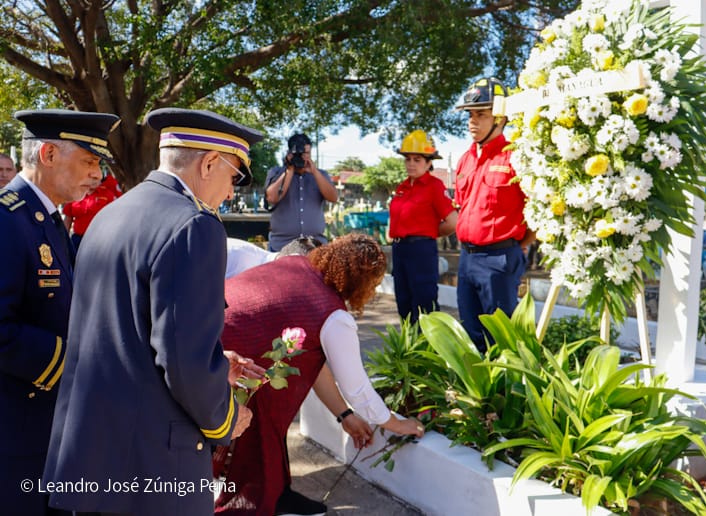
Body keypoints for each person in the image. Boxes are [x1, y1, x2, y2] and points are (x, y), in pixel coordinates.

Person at [44, 108, 263, 515]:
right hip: (151, 467)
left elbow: (120, 328)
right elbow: (185, 362)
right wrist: (224, 417)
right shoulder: (195, 225)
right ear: (210, 162)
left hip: (93, 455)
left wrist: (216, 361)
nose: (231, 193)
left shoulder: (109, 215)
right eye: (234, 177)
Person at [214, 233, 424, 516]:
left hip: (202, 341)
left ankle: (277, 494)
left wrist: (344, 416)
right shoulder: (335, 316)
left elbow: (315, 363)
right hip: (225, 363)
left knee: (270, 406)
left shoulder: (292, 265)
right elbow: (357, 389)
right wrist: (397, 424)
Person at [0, 109, 119, 516]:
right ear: (48, 154)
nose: (98, 175)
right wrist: (73, 362)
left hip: (48, 420)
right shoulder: (7, 221)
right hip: (16, 424)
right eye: (89, 161)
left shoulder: (48, 220)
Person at [453, 77, 535, 351]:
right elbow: (463, 206)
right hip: (466, 259)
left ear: (500, 119)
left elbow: (537, 211)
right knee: (471, 334)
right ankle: (480, 394)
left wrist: (516, 246)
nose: (472, 122)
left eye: (481, 114)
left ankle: (505, 392)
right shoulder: (465, 158)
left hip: (499, 259)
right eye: (470, 115)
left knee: (501, 339)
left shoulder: (516, 157)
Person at [388, 130, 457, 323]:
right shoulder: (402, 187)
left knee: (424, 303)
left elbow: (453, 222)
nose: (411, 163)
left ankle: (428, 348)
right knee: (403, 302)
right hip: (400, 250)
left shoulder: (434, 186)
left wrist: (429, 232)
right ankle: (409, 348)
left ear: (429, 162)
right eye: (408, 159)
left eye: (417, 159)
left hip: (421, 250)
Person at [264, 133, 338, 252]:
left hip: (315, 246)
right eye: (299, 153)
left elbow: (333, 197)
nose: (303, 157)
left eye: (307, 153)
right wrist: (290, 170)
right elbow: (272, 198)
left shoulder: (321, 175)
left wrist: (314, 172)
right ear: (290, 153)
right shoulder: (276, 172)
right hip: (281, 246)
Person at [61, 171, 122, 247]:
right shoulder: (75, 195)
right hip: (78, 240)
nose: (93, 181)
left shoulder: (108, 195)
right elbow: (68, 220)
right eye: (90, 178)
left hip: (100, 240)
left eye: (96, 178)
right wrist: (63, 240)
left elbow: (114, 219)